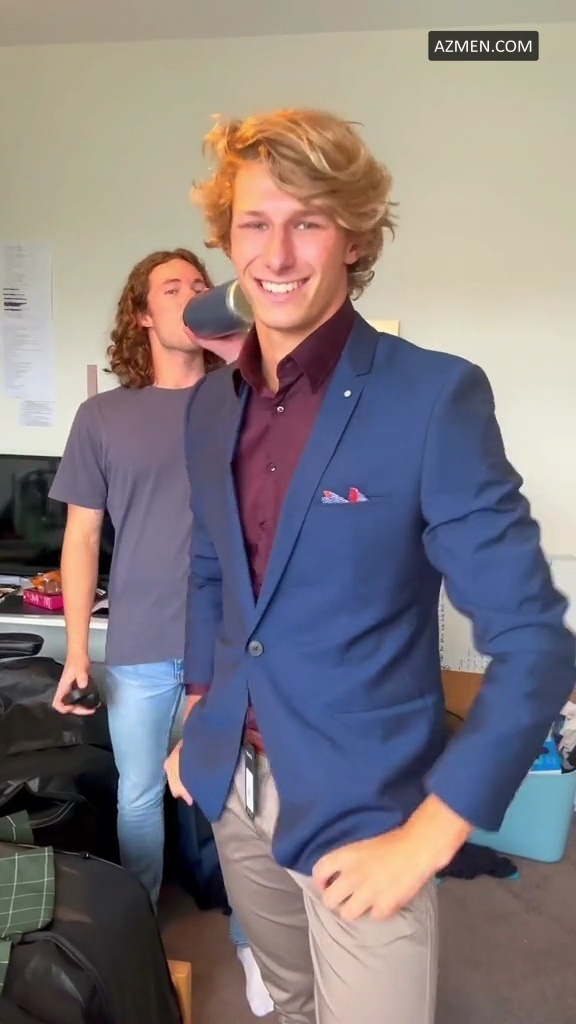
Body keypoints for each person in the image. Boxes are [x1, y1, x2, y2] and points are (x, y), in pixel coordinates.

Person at [164, 108, 576, 1024]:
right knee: (290, 1001)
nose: (277, 253)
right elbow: (211, 568)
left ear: (353, 238)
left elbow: (536, 644)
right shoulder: (210, 408)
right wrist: (200, 706)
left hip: (368, 806)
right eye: (254, 223)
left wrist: (430, 836)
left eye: (307, 222)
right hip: (233, 784)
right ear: (228, 239)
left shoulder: (432, 396)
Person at [48, 248, 273, 1018]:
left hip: (231, 644)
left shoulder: (244, 398)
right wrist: (78, 650)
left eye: (200, 285)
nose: (191, 295)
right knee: (140, 795)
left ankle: (252, 942)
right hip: (140, 641)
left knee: (237, 797)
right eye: (171, 287)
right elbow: (81, 539)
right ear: (142, 315)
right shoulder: (104, 418)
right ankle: (136, 931)